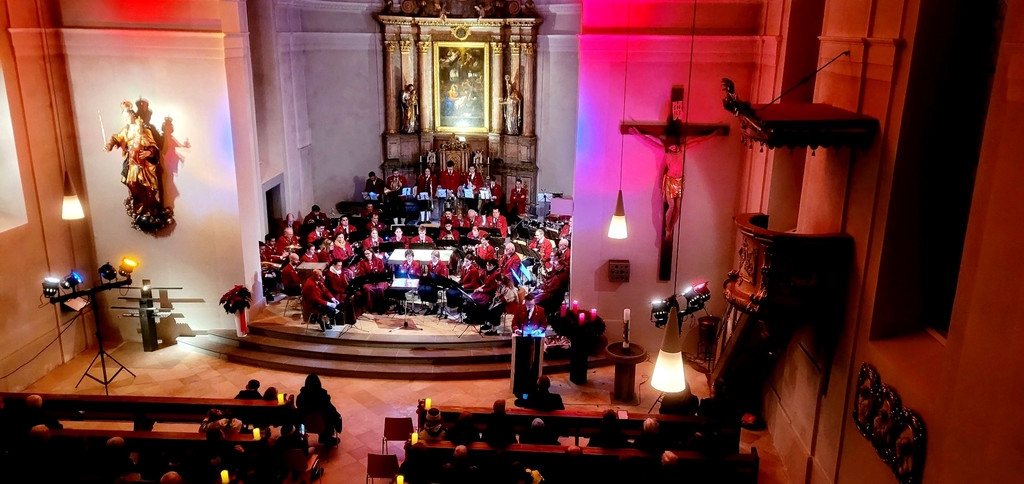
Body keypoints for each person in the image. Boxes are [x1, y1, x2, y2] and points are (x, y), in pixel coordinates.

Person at [104, 100, 164, 223]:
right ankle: (141, 207)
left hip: (144, 163)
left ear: (133, 115)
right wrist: (109, 145)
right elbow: (116, 138)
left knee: (147, 186)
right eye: (124, 118)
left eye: (127, 117)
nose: (125, 120)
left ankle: (150, 209)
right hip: (132, 162)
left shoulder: (144, 129)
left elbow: (153, 145)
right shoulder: (126, 130)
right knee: (132, 184)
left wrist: (149, 153)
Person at [295, 374, 342, 447]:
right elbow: (330, 410)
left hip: (305, 426)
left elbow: (299, 410)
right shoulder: (323, 397)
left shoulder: (300, 397)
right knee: (332, 416)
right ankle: (326, 439)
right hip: (322, 426)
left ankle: (302, 439)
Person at [419, 250, 448, 315]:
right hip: (431, 282)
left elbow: (444, 276)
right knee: (422, 289)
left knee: (429, 289)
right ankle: (429, 304)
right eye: (431, 257)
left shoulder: (442, 265)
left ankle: (432, 307)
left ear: (438, 257)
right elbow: (429, 274)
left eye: (434, 257)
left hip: (439, 283)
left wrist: (435, 278)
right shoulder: (430, 263)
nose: (432, 259)